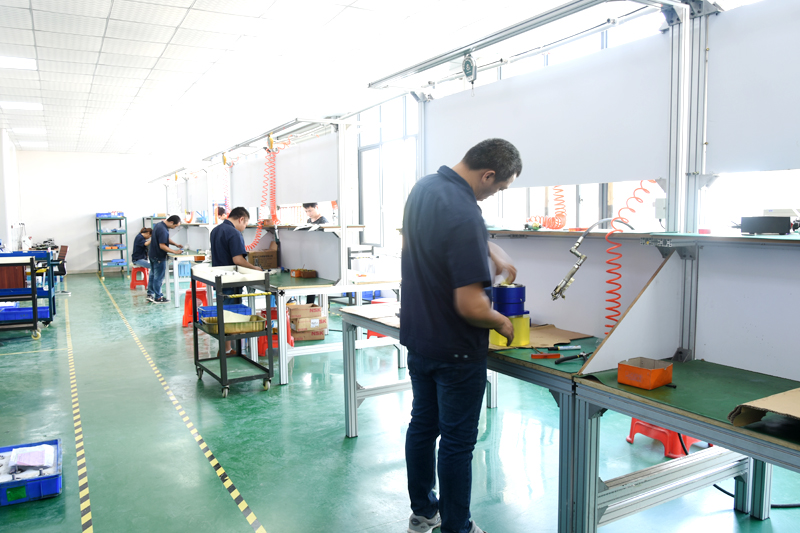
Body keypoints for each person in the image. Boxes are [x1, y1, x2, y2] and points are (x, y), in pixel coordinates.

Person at [401, 138, 521, 533]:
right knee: (456, 443)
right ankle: (457, 527)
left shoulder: (425, 189)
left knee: (423, 426)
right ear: (488, 175)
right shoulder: (467, 212)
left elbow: (440, 237)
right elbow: (471, 306)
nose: (493, 194)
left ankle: (423, 512)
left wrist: (490, 248)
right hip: (455, 350)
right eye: (498, 188)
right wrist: (502, 322)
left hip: (420, 338)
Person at [210, 206, 263, 354]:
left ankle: (227, 348)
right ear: (241, 219)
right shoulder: (234, 233)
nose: (244, 227)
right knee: (230, 315)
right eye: (245, 224)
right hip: (231, 281)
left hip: (219, 278)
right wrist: (254, 268)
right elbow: (238, 259)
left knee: (224, 312)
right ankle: (226, 350)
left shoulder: (215, 230)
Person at [148, 215, 183, 303]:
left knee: (152, 275)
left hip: (152, 254)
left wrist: (175, 244)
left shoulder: (159, 225)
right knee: (158, 278)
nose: (174, 228)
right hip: (159, 257)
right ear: (171, 222)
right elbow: (162, 246)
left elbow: (165, 238)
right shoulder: (163, 229)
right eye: (175, 226)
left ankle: (150, 294)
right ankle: (158, 297)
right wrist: (175, 252)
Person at [302, 202, 327, 304]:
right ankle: (309, 304)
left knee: (319, 280)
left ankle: (322, 304)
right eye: (306, 211)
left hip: (321, 253)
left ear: (316, 207)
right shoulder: (309, 220)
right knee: (310, 280)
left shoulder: (323, 221)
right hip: (311, 253)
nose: (308, 213)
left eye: (310, 210)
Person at [132, 227, 153, 297]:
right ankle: (150, 286)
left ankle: (150, 284)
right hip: (137, 259)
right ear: (147, 233)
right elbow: (145, 244)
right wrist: (153, 239)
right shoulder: (139, 237)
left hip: (140, 258)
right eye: (150, 236)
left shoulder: (141, 237)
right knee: (153, 266)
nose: (149, 238)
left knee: (153, 265)